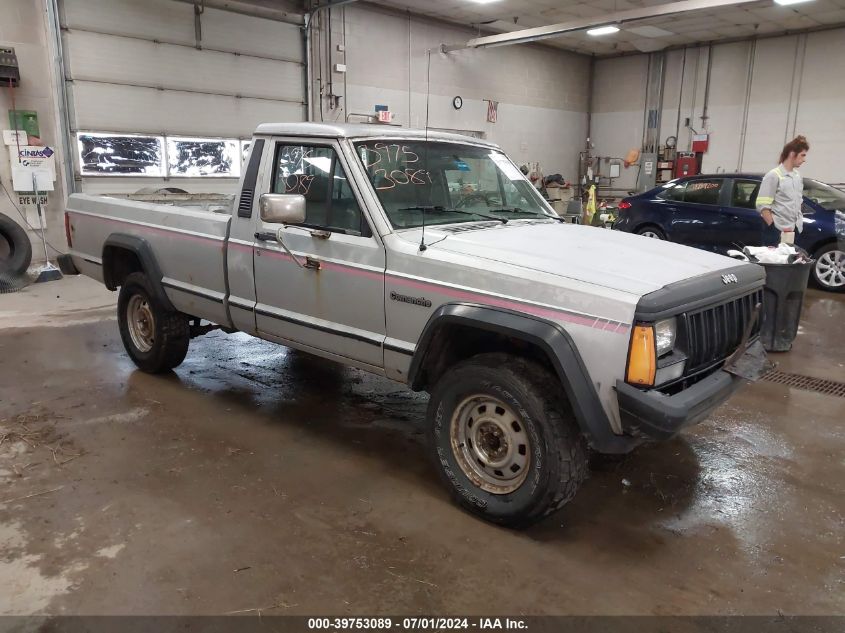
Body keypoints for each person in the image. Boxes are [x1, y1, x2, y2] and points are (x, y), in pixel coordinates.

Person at [756, 136, 809, 247]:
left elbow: (798, 201)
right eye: (802, 155)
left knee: (791, 262)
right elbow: (762, 205)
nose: (804, 159)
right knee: (775, 263)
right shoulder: (773, 175)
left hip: (795, 229)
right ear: (792, 154)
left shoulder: (797, 176)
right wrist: (773, 226)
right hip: (777, 231)